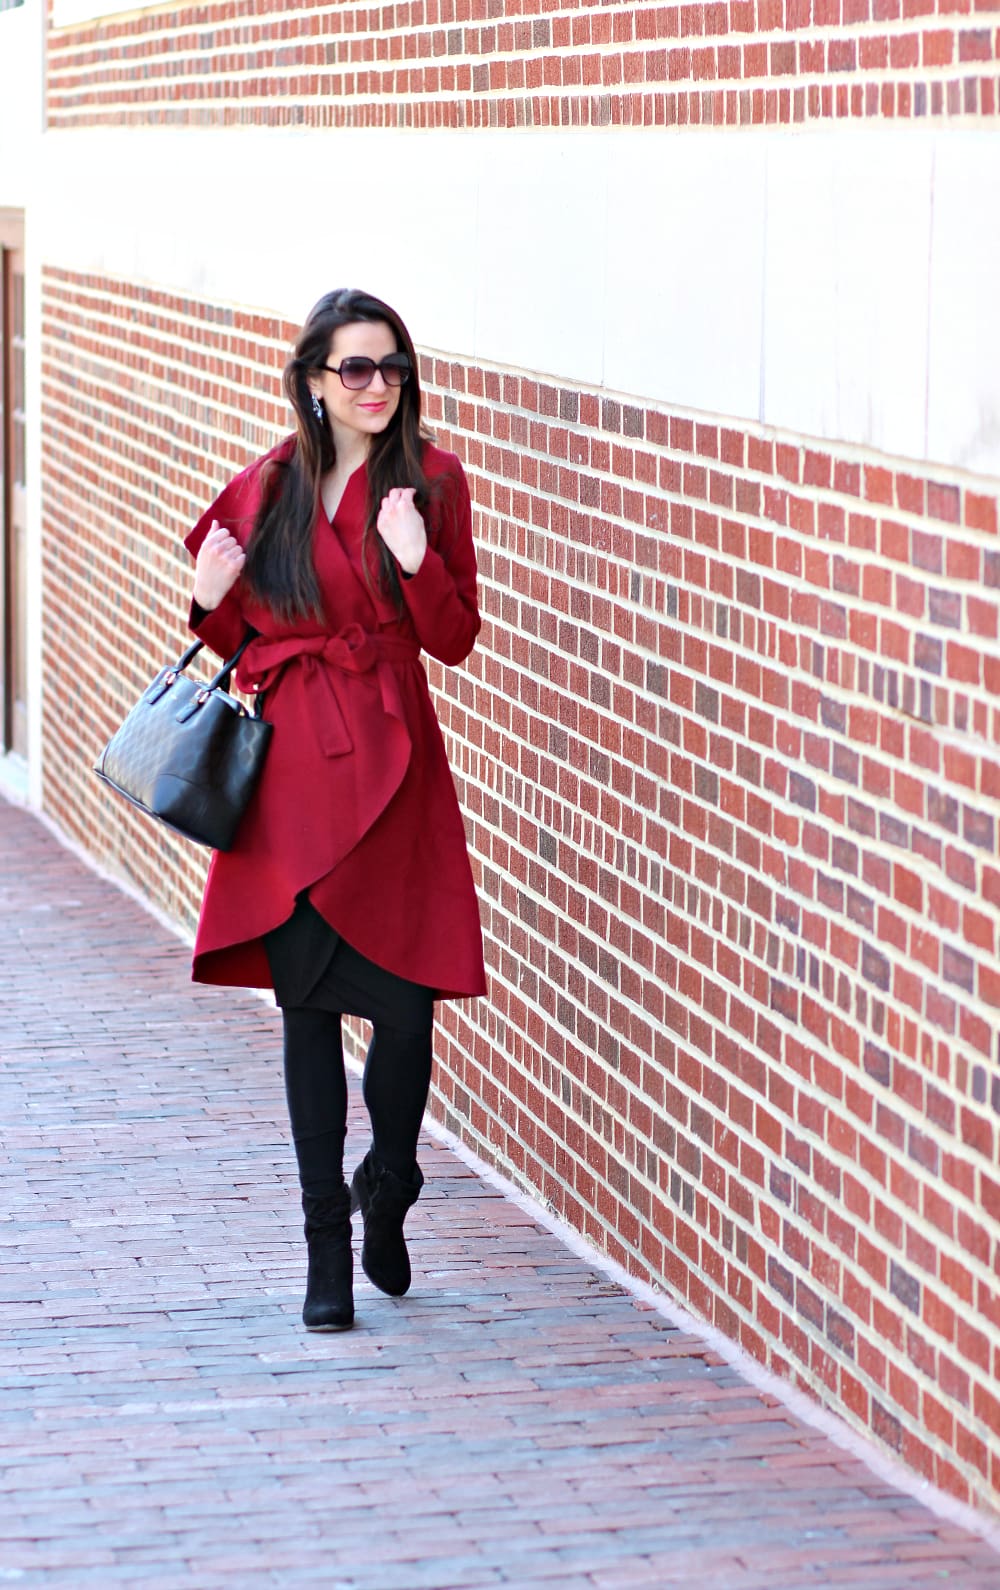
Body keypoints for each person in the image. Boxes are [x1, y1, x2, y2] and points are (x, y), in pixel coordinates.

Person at [183, 288, 486, 1332]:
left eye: (391, 367)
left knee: (406, 1012)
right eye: (354, 368)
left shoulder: (433, 483)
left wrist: (416, 561)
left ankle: (387, 1187)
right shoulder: (271, 482)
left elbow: (454, 639)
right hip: (298, 778)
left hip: (396, 770)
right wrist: (212, 591)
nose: (376, 387)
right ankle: (324, 1246)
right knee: (308, 1014)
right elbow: (234, 640)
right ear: (314, 379)